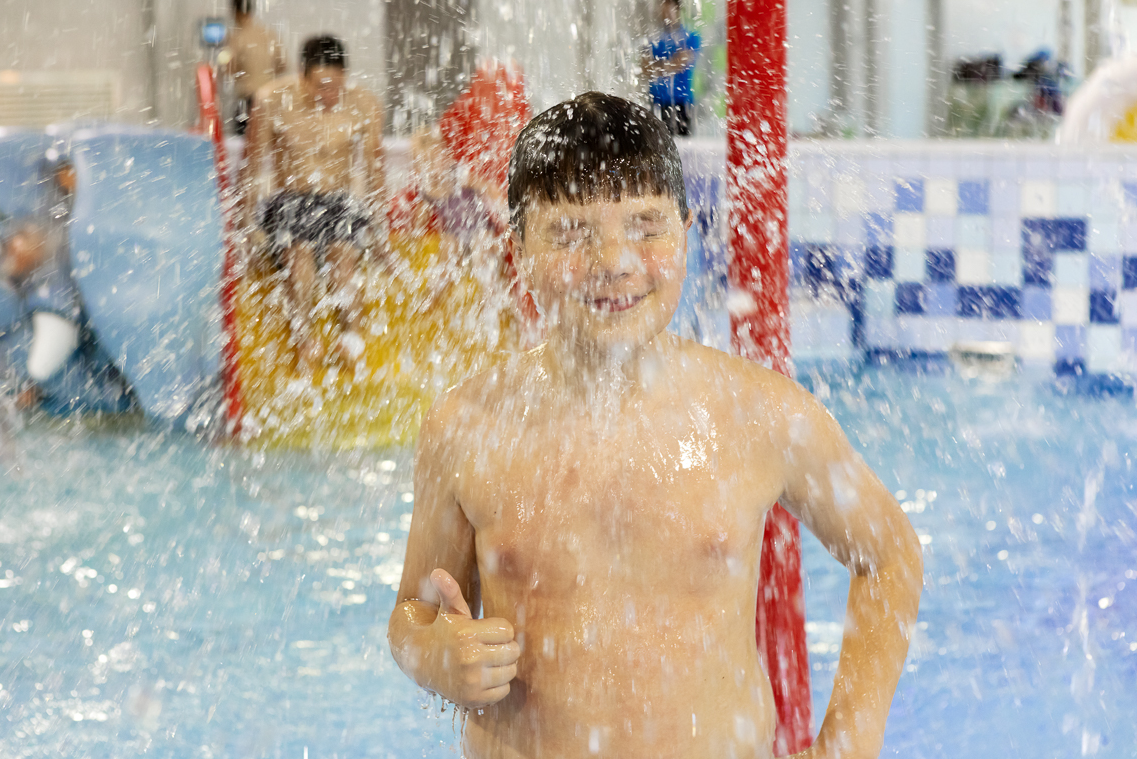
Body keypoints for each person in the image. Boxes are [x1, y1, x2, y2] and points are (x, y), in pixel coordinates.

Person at [387, 92, 922, 759]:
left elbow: (890, 554)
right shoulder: (468, 428)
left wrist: (851, 736)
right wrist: (436, 656)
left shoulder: (760, 414)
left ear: (686, 232)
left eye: (646, 226)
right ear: (519, 247)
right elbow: (412, 612)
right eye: (571, 233)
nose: (614, 260)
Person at [241, 35, 386, 369]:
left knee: (343, 259)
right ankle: (304, 338)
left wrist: (380, 230)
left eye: (336, 86)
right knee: (300, 255)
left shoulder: (363, 104)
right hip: (290, 199)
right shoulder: (272, 101)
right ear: (301, 75)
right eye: (319, 86)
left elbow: (374, 170)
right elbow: (250, 169)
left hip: (338, 200)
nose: (328, 96)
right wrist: (244, 230)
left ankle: (351, 338)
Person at [225, 0, 286, 136]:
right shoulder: (268, 33)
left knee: (246, 146)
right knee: (269, 144)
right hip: (271, 98)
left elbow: (229, 68)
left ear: (235, 12)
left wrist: (244, 75)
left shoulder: (236, 37)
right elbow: (282, 65)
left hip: (248, 100)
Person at [641, 0, 700, 136]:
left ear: (678, 11)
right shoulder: (654, 38)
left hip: (681, 103)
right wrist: (670, 65)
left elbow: (680, 63)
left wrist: (658, 67)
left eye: (669, 10)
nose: (665, 14)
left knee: (683, 150)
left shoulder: (690, 37)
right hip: (656, 102)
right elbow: (645, 68)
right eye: (663, 11)